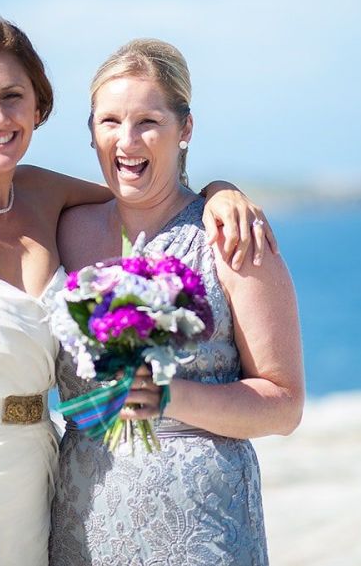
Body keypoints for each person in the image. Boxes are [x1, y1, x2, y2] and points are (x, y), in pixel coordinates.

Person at [0, 17, 274, 565]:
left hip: (31, 480)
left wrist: (219, 193)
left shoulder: (47, 197)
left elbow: (150, 193)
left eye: (13, 96)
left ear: (38, 108)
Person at [50, 39, 305, 565]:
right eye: (110, 121)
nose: (127, 140)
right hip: (80, 520)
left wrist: (170, 396)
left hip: (202, 527)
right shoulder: (65, 229)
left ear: (184, 129)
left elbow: (284, 404)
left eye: (148, 121)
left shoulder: (233, 239)